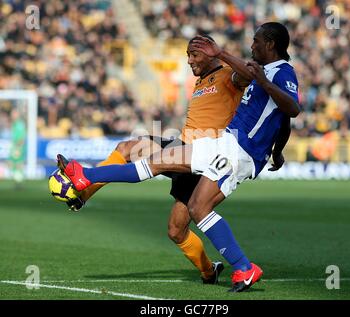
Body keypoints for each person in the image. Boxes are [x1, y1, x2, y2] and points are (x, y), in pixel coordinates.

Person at [57, 22, 301, 292]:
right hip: (223, 145)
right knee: (194, 211)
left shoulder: (270, 73)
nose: (252, 46)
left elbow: (291, 109)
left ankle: (84, 177)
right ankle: (242, 268)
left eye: (256, 41)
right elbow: (282, 119)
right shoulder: (246, 76)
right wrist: (277, 152)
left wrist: (225, 56)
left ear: (270, 44)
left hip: (237, 150)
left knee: (156, 165)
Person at [67, 34, 251, 284]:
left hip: (205, 157)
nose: (189, 61)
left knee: (176, 230)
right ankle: (83, 192)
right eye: (188, 55)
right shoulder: (200, 81)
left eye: (194, 55)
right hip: (184, 148)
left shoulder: (229, 74)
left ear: (209, 54)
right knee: (127, 147)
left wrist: (220, 53)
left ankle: (209, 271)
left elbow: (250, 76)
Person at [9, 109, 27, 187]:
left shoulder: (19, 124)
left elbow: (21, 137)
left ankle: (19, 180)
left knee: (18, 163)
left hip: (18, 147)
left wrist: (18, 147)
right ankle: (18, 180)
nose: (12, 115)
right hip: (15, 146)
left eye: (14, 113)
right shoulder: (15, 123)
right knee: (13, 163)